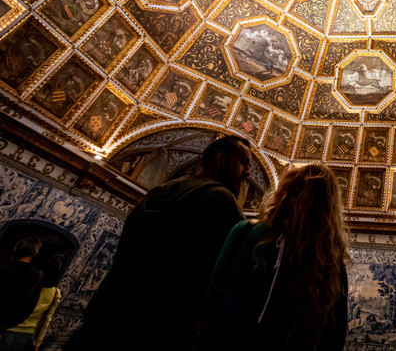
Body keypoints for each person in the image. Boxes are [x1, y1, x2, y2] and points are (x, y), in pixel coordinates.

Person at [65, 135, 252, 351]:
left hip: (109, 314)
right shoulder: (221, 198)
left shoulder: (162, 190)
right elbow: (224, 274)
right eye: (243, 162)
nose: (247, 172)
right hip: (159, 328)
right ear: (220, 160)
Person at [200, 164, 349, 351]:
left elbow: (212, 294)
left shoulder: (245, 231)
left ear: (285, 193)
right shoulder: (331, 261)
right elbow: (336, 335)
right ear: (330, 207)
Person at [2, 258, 62, 351]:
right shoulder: (55, 293)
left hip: (9, 328)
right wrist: (38, 342)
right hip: (27, 335)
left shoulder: (31, 285)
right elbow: (46, 320)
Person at [0, 239, 43, 335]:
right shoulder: (34, 274)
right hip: (15, 317)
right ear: (34, 253)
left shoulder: (5, 268)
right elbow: (30, 298)